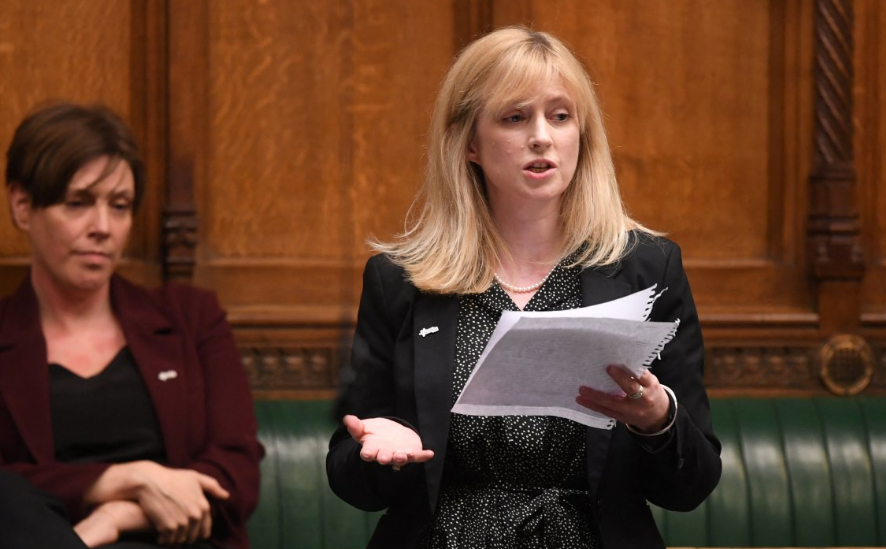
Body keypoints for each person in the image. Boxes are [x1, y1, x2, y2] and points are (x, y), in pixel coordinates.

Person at [327, 27, 722, 549]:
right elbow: (350, 475)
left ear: (582, 134)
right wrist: (378, 452)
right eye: (515, 117)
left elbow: (691, 486)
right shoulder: (398, 280)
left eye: (560, 116)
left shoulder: (648, 268)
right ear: (469, 142)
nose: (542, 136)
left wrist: (658, 420)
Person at [0, 102, 263, 548]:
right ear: (23, 207)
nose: (102, 227)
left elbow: (236, 472)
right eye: (78, 203)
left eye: (119, 206)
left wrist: (120, 514)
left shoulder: (190, 318)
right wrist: (121, 478)